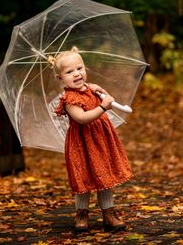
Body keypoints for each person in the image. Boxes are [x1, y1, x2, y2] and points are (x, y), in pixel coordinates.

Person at [48, 46, 133, 232]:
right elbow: (82, 118)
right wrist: (103, 107)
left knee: (105, 175)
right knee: (83, 177)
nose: (77, 74)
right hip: (82, 144)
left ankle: (108, 213)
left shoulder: (90, 88)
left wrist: (100, 92)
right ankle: (82, 214)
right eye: (69, 72)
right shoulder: (69, 98)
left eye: (80, 68)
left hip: (101, 140)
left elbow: (105, 99)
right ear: (60, 78)